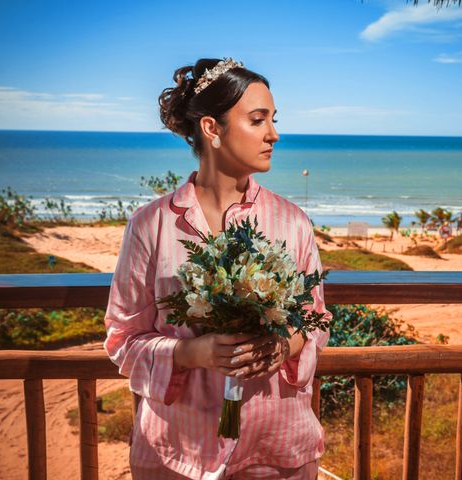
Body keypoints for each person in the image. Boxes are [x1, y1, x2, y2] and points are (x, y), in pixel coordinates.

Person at [103, 57, 332, 479]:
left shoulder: (292, 221)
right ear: (212, 129)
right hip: (176, 454)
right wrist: (192, 353)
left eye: (273, 120)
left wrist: (284, 346)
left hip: (276, 450)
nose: (274, 135)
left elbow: (316, 319)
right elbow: (122, 339)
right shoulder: (151, 224)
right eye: (258, 120)